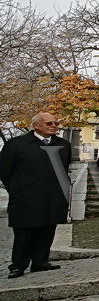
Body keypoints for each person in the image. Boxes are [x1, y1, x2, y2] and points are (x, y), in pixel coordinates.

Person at [0, 113, 70, 279]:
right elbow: (5, 171)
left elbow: (64, 168)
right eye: (49, 123)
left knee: (48, 227)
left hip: (53, 195)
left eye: (55, 123)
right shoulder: (17, 144)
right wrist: (18, 189)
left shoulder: (63, 145)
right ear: (36, 125)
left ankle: (40, 261)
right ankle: (18, 265)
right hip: (26, 196)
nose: (53, 126)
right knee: (24, 231)